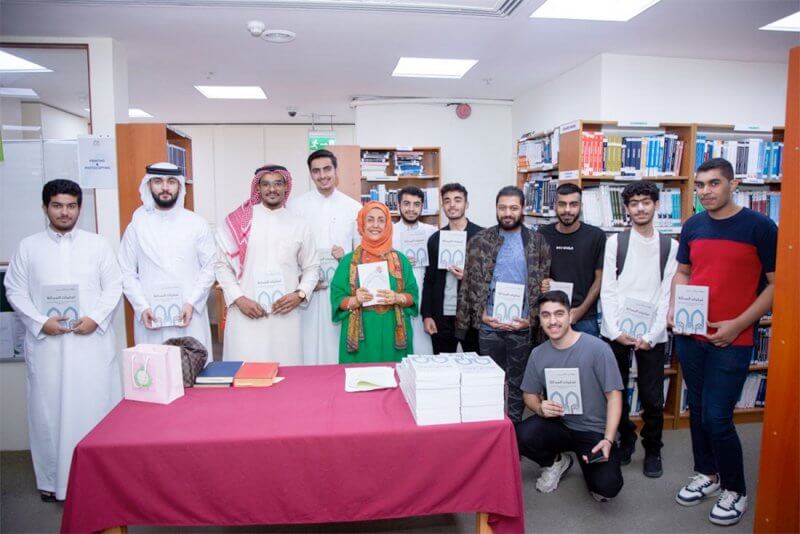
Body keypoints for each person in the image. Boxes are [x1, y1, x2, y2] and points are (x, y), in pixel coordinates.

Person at [669, 158, 777, 526]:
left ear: (734, 184)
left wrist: (738, 324)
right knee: (697, 410)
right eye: (700, 185)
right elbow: (683, 272)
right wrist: (674, 308)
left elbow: (777, 285)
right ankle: (707, 475)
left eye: (714, 183)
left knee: (718, 417)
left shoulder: (760, 227)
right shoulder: (693, 225)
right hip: (691, 336)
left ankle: (736, 490)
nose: (705, 191)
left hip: (735, 338)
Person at [4, 179, 123, 502]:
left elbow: (113, 286)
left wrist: (95, 318)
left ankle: (101, 480)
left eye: (71, 206)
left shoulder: (97, 244)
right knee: (48, 411)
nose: (65, 212)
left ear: (79, 209)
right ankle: (53, 479)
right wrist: (42, 322)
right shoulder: (28, 247)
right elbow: (14, 290)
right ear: (45, 208)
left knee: (95, 407)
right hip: (48, 347)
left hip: (90, 343)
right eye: (57, 205)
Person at [600, 181, 678, 477]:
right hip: (617, 331)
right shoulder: (615, 243)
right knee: (615, 389)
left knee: (651, 395)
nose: (641, 208)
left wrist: (649, 335)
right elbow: (607, 290)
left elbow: (666, 295)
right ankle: (626, 438)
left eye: (646, 202)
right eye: (634, 203)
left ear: (656, 205)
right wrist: (616, 330)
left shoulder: (671, 246)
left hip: (652, 333)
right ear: (627, 209)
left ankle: (653, 448)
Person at [516, 291, 624, 502]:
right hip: (560, 425)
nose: (553, 321)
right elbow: (528, 395)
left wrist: (608, 439)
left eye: (559, 314)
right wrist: (539, 408)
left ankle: (592, 464)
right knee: (519, 434)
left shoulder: (598, 349)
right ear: (540, 320)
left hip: (594, 431)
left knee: (607, 488)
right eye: (546, 315)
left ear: (570, 316)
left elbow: (615, 397)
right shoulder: (538, 354)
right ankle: (556, 462)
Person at [456, 185, 551, 423]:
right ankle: (493, 431)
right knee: (491, 382)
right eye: (502, 207)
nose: (507, 213)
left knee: (518, 384)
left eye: (513, 208)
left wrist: (531, 319)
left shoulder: (538, 243)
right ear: (496, 209)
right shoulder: (479, 241)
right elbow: (469, 286)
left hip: (523, 327)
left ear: (523, 210)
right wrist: (481, 316)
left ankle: (513, 434)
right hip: (490, 327)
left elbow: (543, 287)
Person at [215, 165, 319, 364]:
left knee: (286, 376)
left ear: (285, 187)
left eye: (278, 184)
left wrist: (300, 294)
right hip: (246, 313)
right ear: (258, 188)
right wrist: (239, 299)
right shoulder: (238, 221)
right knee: (246, 375)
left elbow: (312, 267)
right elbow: (221, 266)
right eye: (266, 184)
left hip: (285, 315)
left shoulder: (300, 224)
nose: (272, 189)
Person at [118, 162, 216, 358]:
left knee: (195, 374)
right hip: (151, 316)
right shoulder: (136, 225)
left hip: (189, 315)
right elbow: (126, 271)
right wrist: (141, 306)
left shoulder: (196, 223)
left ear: (179, 186)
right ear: (148, 185)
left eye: (171, 181)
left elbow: (210, 267)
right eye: (158, 181)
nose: (164, 187)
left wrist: (192, 302)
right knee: (154, 375)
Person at [288, 149, 362, 365]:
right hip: (308, 291)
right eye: (316, 171)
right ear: (311, 174)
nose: (322, 175)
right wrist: (303, 279)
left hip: (341, 290)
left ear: (335, 170)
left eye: (327, 169)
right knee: (307, 345)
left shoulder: (354, 208)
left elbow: (359, 252)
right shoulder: (296, 207)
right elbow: (290, 251)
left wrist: (344, 258)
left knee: (336, 343)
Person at [330, 201, 418, 363]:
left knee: (395, 383)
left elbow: (412, 295)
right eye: (370, 219)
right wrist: (355, 300)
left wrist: (397, 298)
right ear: (362, 224)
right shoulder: (348, 262)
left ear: (388, 225)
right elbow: (337, 299)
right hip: (360, 340)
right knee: (360, 381)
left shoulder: (401, 260)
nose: (375, 225)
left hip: (393, 334)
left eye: (381, 220)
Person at [422, 183, 483, 354]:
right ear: (442, 206)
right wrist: (427, 315)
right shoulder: (435, 239)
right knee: (442, 368)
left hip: (472, 317)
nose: (452, 205)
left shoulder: (482, 237)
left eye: (458, 200)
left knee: (476, 367)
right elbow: (429, 279)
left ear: (467, 204)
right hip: (442, 316)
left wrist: (468, 276)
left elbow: (491, 278)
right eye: (447, 201)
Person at [539, 183, 606, 337]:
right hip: (551, 316)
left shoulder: (596, 236)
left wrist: (580, 311)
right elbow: (537, 272)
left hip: (584, 318)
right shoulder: (542, 235)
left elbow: (600, 280)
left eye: (573, 204)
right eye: (562, 204)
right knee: (552, 360)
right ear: (555, 206)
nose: (567, 210)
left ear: (581, 206)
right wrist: (542, 282)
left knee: (585, 361)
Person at [392, 185, 437, 354]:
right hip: (397, 296)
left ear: (422, 207)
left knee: (423, 348)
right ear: (398, 205)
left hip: (424, 297)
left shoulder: (432, 232)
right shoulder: (389, 233)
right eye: (407, 203)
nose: (411, 209)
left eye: (416, 204)